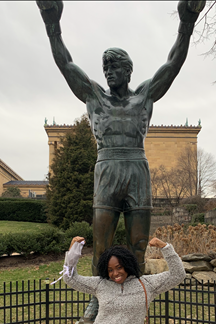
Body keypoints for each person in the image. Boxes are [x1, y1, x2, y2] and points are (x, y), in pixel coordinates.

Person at [36, 0, 205, 320]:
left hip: (137, 170)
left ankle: (137, 294)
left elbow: (173, 63)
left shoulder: (145, 95)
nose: (109, 72)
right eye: (105, 68)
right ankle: (99, 298)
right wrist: (51, 23)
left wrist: (187, 20)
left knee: (139, 242)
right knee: (103, 242)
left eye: (114, 67)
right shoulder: (94, 96)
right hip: (107, 169)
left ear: (128, 70)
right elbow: (66, 64)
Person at [62, 236, 186, 324]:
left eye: (119, 267)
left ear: (127, 265)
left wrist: (165, 248)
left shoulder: (146, 284)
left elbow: (178, 275)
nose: (115, 273)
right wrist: (73, 251)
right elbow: (70, 278)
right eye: (110, 270)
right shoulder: (100, 284)